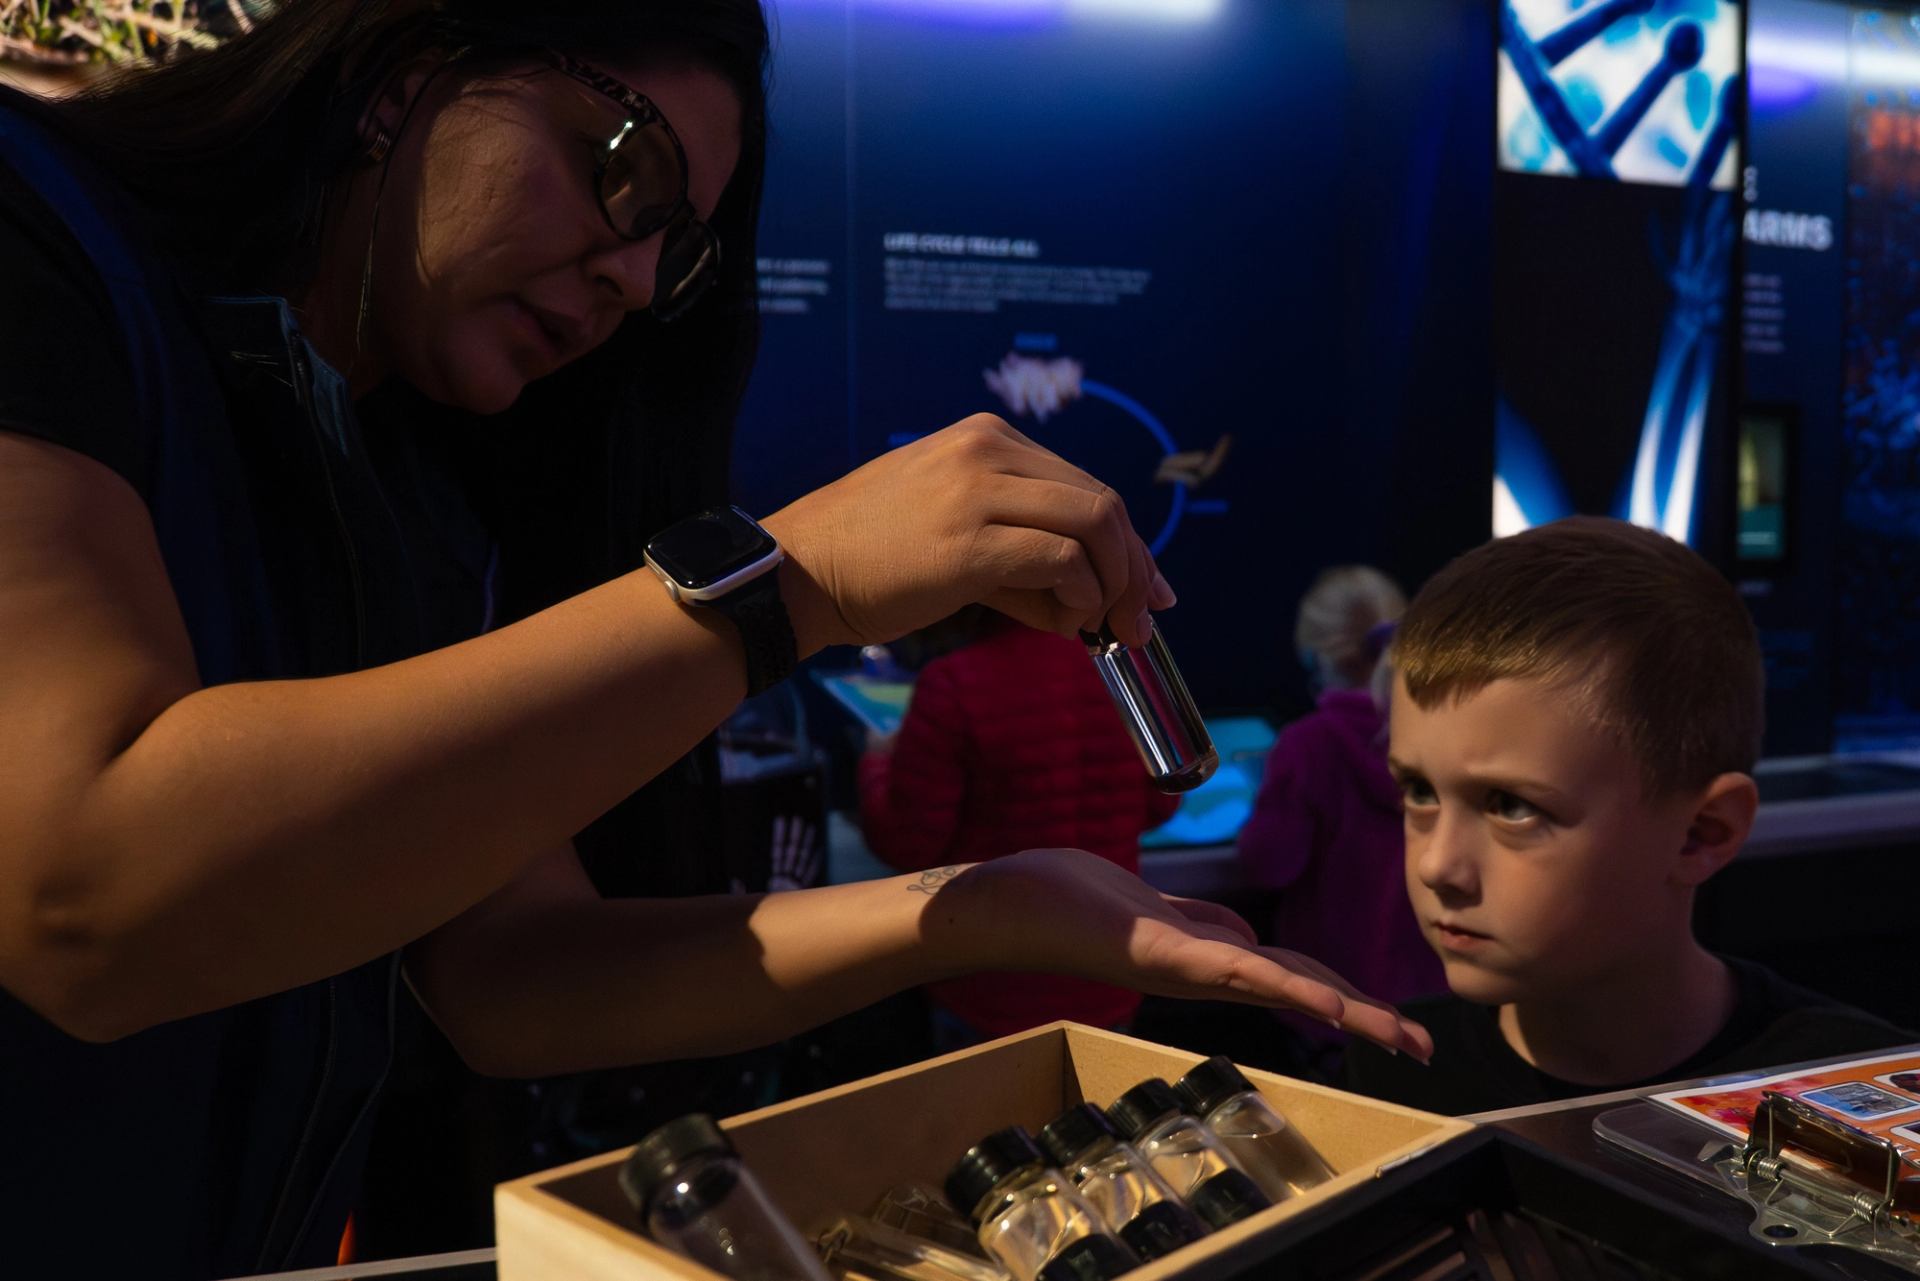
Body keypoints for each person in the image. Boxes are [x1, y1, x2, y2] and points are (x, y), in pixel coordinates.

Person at [0, 2, 1428, 1275]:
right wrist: (787, 581)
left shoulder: (406, 499)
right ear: (405, 66)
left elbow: (515, 971)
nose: (628, 277)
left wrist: (980, 904)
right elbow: (87, 892)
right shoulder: (41, 237)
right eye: (624, 167)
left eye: (672, 251)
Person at [1345, 518, 1910, 1116]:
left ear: (1700, 834)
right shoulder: (1397, 1071)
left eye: (1511, 806)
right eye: (1419, 791)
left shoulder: (1868, 1103)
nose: (1438, 866)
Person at [858, 609, 1182, 1045]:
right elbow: (1161, 807)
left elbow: (906, 842)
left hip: (987, 982)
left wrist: (877, 761)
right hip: (1110, 965)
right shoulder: (1122, 670)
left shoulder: (953, 683)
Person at [1237, 567, 1445, 1070]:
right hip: (1436, 1005)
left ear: (1316, 657)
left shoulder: (1308, 745)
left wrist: (1270, 783)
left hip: (1332, 1010)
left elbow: (1269, 865)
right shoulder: (1439, 732)